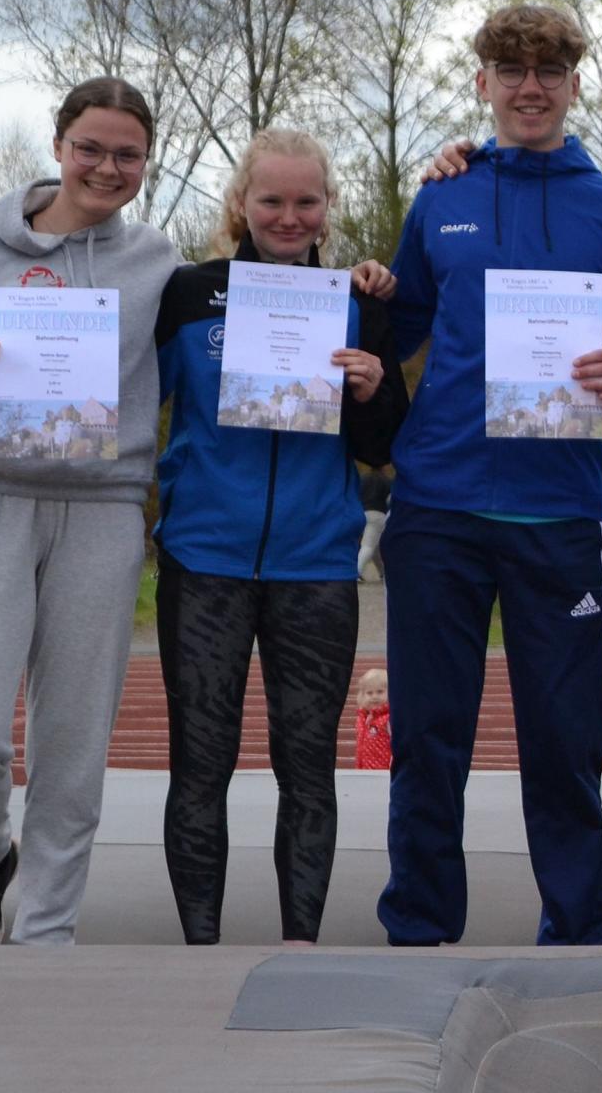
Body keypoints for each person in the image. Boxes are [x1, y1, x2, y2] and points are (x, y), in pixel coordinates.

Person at [375, 5, 602, 947]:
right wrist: (354, 295)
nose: (530, 87)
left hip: (559, 510)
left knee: (564, 738)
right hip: (437, 504)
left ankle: (580, 932)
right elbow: (396, 331)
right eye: (510, 70)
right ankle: (420, 927)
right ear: (483, 84)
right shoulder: (442, 196)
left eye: (550, 70)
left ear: (575, 84)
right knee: (428, 736)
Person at [0, 77, 184, 944]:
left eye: (128, 154)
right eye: (90, 148)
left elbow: (243, 313)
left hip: (102, 512)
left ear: (146, 162)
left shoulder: (158, 263)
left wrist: (361, 288)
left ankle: (45, 936)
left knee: (72, 740)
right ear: (59, 146)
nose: (107, 167)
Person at [153, 128, 406, 945]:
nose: (289, 217)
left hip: (314, 564)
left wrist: (370, 389)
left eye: (306, 201)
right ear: (241, 203)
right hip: (204, 560)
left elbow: (384, 446)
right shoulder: (187, 293)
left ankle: (302, 944)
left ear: (328, 207)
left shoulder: (359, 303)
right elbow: (127, 403)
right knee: (201, 765)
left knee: (307, 767)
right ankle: (200, 947)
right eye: (271, 200)